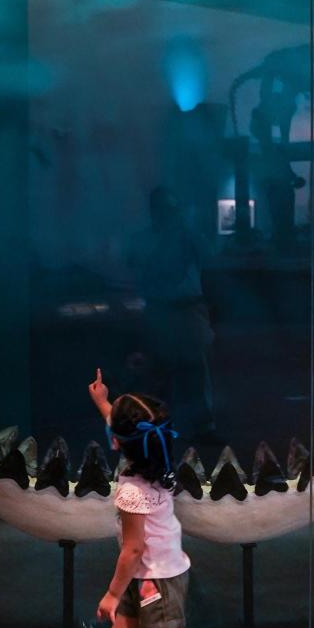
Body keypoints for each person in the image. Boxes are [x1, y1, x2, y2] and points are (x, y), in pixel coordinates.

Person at [56, 369, 237, 628]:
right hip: (146, 575)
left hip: (156, 579)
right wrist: (103, 401)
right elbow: (126, 428)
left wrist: (109, 594)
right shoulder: (156, 462)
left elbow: (133, 549)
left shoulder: (132, 492)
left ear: (118, 443)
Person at [126, 187, 220, 444]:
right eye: (164, 210)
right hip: (161, 310)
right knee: (158, 371)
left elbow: (209, 257)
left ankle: (202, 427)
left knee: (195, 371)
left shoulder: (186, 236)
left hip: (187, 310)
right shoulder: (143, 240)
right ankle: (153, 427)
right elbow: (133, 266)